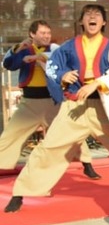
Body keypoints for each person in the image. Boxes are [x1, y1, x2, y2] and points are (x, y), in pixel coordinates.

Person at [4, 5, 109, 213]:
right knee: (50, 147)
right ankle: (22, 191)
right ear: (81, 22)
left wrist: (96, 84)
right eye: (88, 15)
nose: (93, 17)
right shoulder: (68, 46)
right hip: (74, 105)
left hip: (103, 105)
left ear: (104, 23)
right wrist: (62, 76)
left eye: (97, 15)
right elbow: (53, 66)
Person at [0, 20, 98, 179]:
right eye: (42, 33)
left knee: (71, 131)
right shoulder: (24, 49)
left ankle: (87, 164)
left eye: (48, 33)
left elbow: (60, 62)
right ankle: (2, 165)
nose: (46, 36)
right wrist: (17, 49)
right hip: (29, 102)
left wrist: (38, 57)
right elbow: (10, 65)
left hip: (52, 100)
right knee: (10, 135)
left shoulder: (55, 49)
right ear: (32, 34)